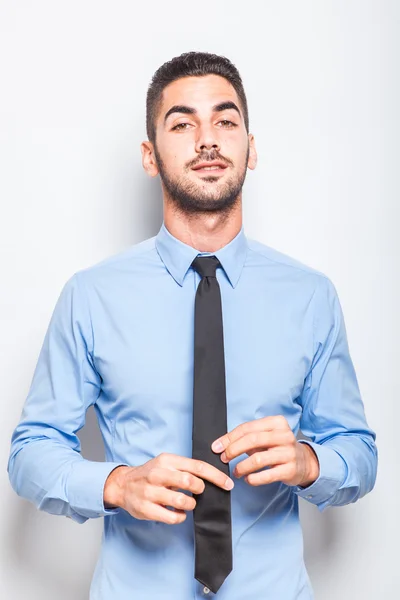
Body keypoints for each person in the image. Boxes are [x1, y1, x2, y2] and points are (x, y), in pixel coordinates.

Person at [7, 51, 378, 599]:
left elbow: (359, 452)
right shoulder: (91, 296)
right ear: (150, 156)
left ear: (251, 149)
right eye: (182, 124)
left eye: (226, 121)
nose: (207, 139)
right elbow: (31, 450)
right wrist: (116, 482)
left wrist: (308, 460)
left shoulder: (311, 297)